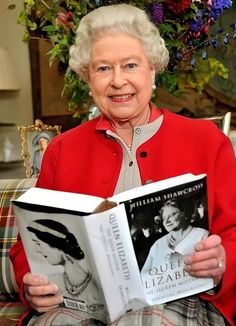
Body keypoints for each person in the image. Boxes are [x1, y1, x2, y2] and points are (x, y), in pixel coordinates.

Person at [9, 3, 236, 326]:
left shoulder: (207, 140)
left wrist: (223, 259)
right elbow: (27, 245)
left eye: (130, 65)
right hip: (83, 303)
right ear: (88, 77)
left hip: (182, 301)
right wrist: (31, 282)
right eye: (103, 69)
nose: (118, 81)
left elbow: (233, 231)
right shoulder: (62, 149)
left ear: (152, 70)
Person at [26, 219, 104, 316]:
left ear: (57, 245)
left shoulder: (97, 284)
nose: (37, 250)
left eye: (38, 243)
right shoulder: (53, 281)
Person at [141, 199, 208, 275]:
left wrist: (182, 261)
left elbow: (209, 269)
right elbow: (143, 276)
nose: (166, 221)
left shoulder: (202, 235)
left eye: (172, 215)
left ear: (183, 213)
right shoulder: (158, 244)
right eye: (164, 218)